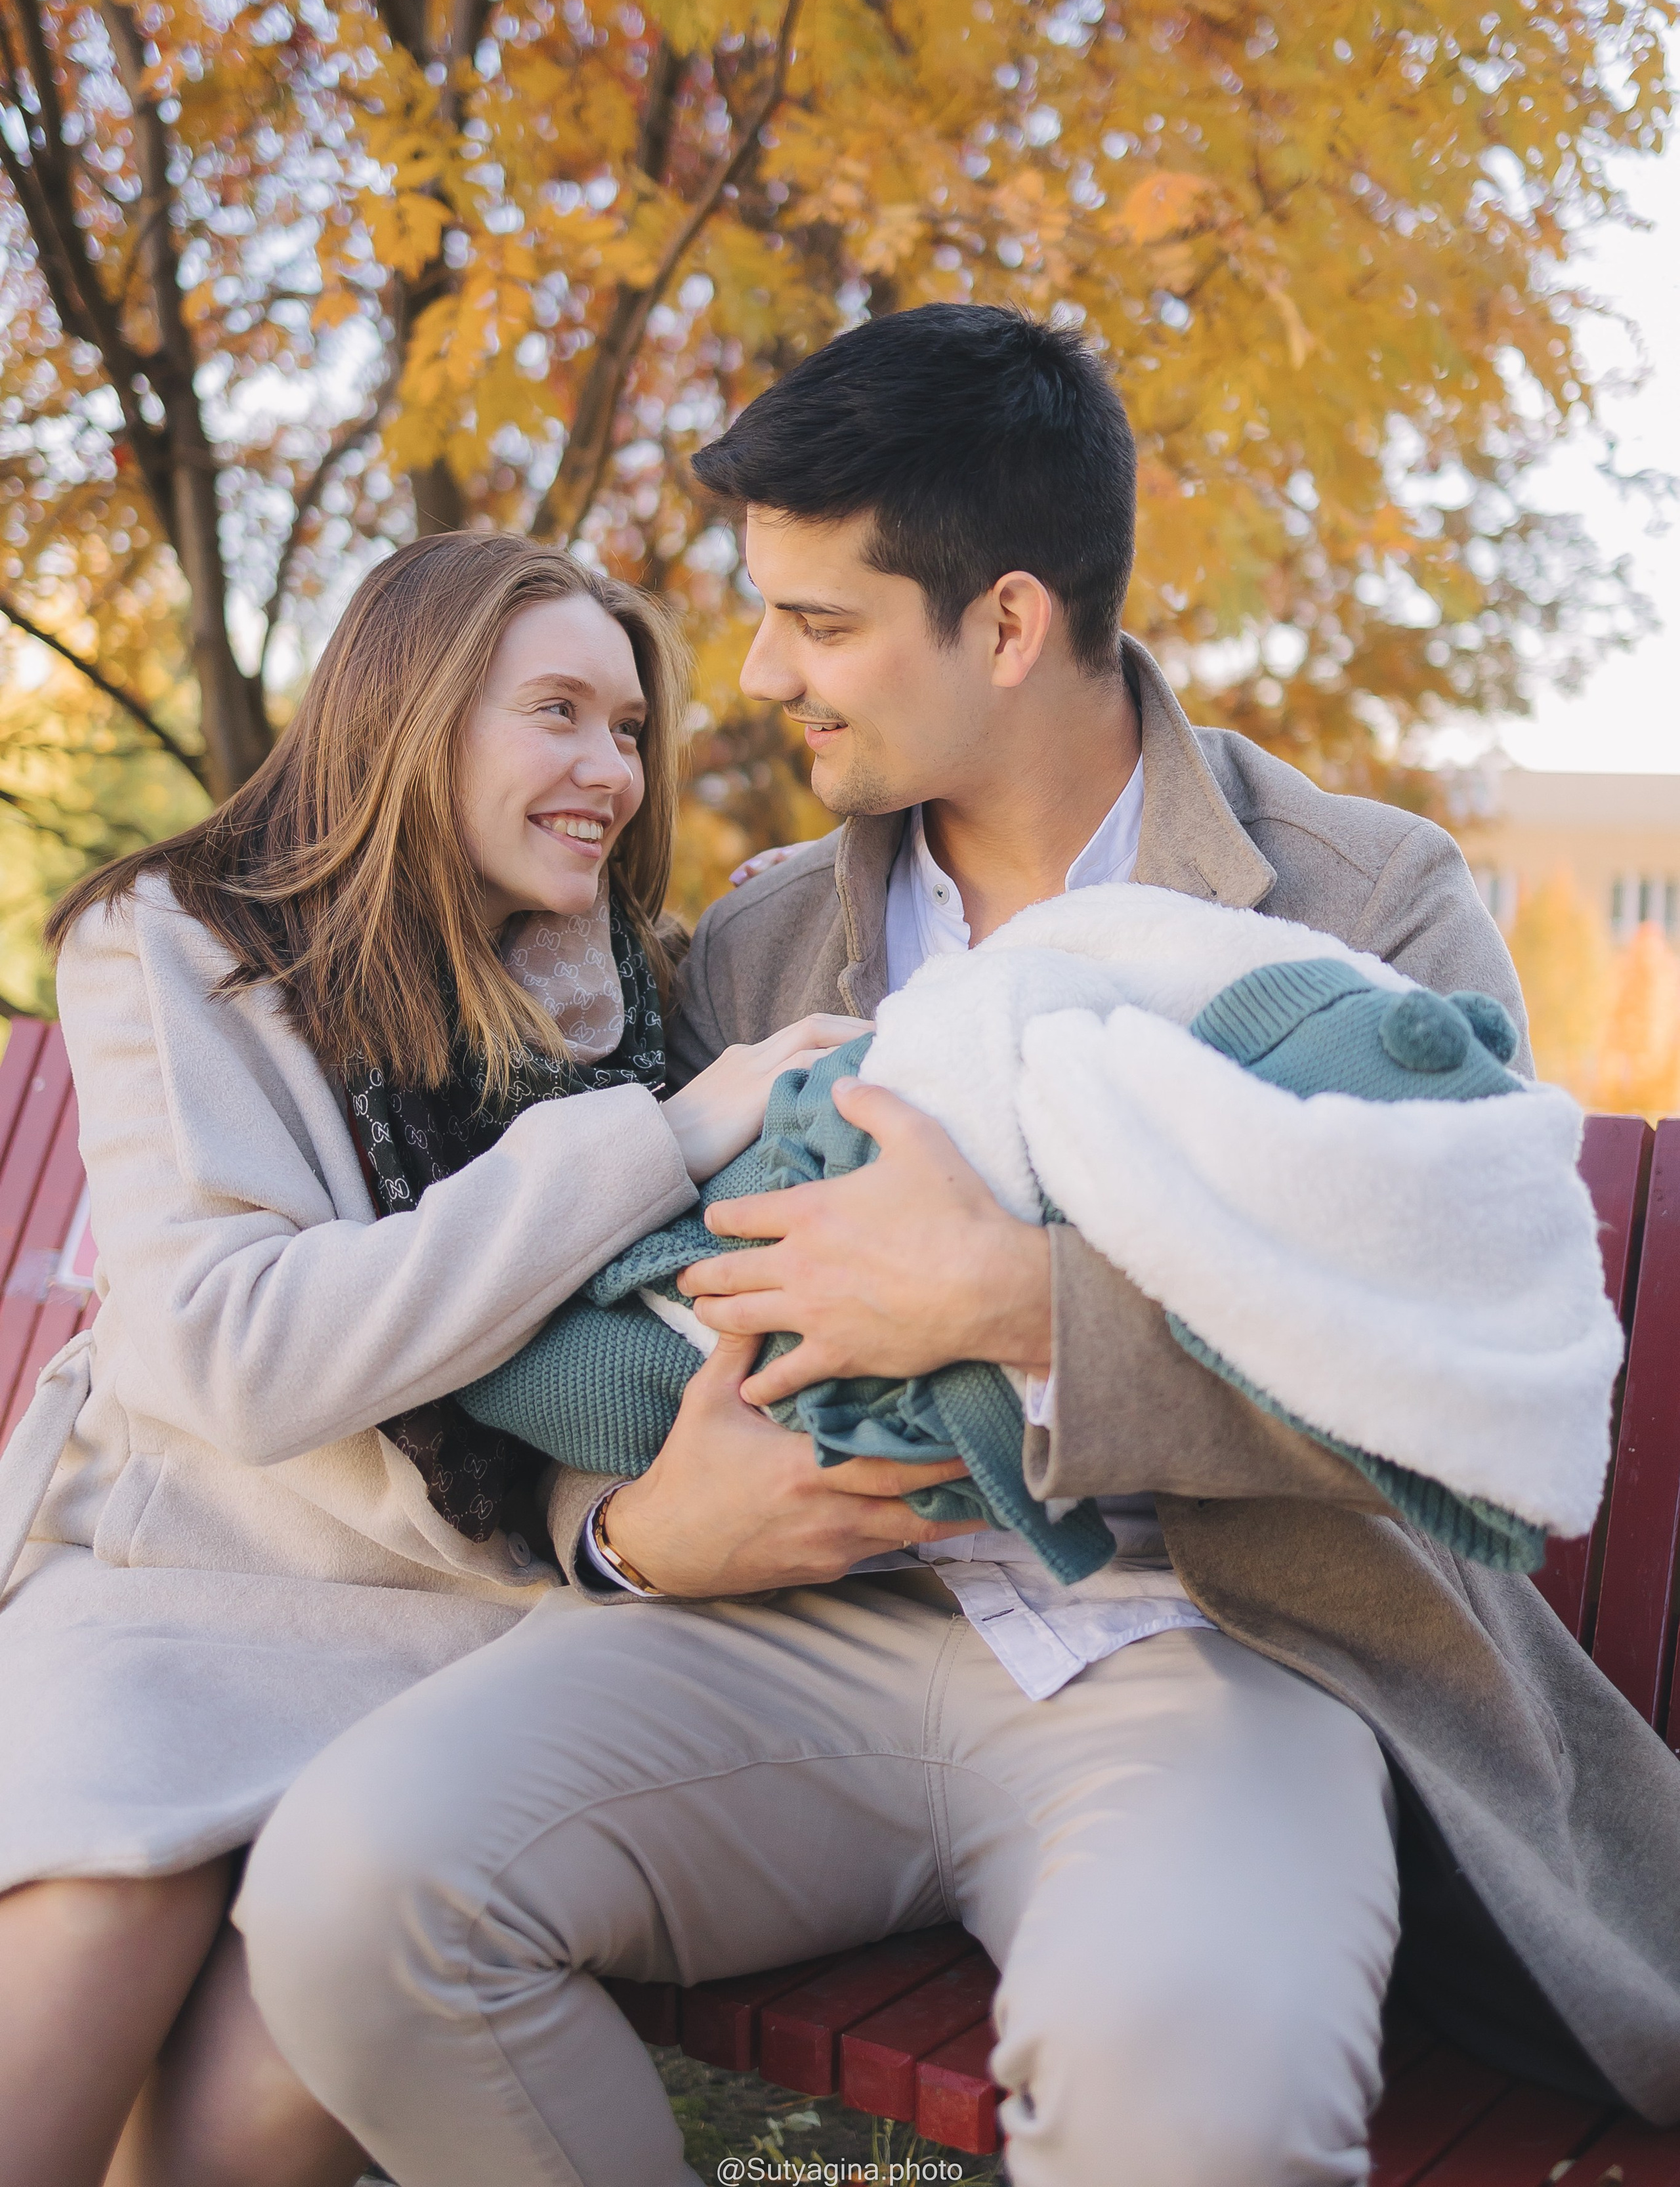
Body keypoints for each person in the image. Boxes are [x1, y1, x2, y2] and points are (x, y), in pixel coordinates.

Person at [240, 308, 1680, 2187]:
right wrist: (632, 1535)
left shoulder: (1359, 904)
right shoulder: (757, 946)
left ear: (1006, 626)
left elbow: (1473, 1400)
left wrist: (1020, 1314)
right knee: (354, 1897)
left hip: (1218, 1646)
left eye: (819, 624)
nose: (758, 675)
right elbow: (625, 1325)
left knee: (1201, 2097)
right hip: (801, 1628)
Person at [0, 532, 911, 2187]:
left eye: (628, 729)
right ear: (413, 717)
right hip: (184, 1585)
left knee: (288, 2039)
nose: (608, 771)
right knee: (100, 1898)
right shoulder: (179, 942)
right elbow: (241, 1359)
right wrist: (655, 1136)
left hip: (465, 1630)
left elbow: (631, 1342)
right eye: (556, 712)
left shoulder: (622, 984)